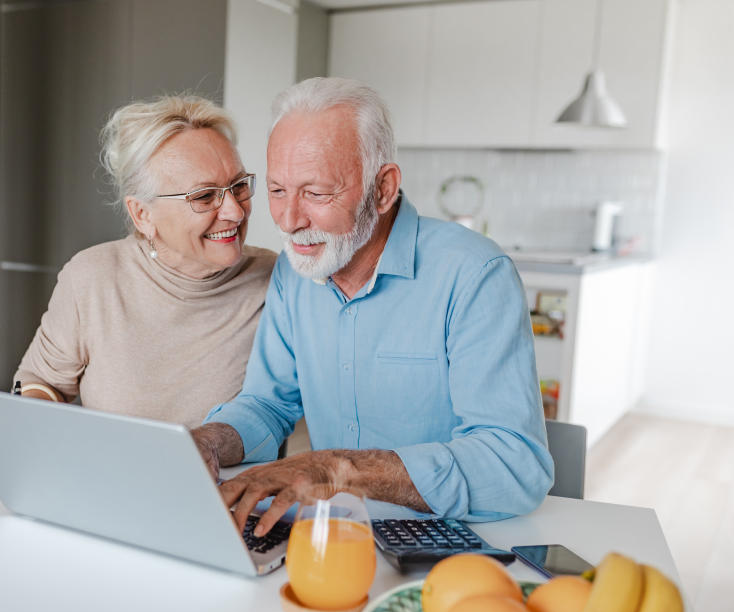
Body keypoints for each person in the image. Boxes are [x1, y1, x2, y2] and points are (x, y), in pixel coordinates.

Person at [192, 78, 553, 537]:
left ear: (383, 188)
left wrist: (339, 469)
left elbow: (514, 466)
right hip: (336, 539)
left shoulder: (475, 274)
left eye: (317, 193)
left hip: (451, 539)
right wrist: (209, 440)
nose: (289, 221)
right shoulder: (295, 271)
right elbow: (267, 404)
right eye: (278, 191)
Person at [14, 95, 276, 428]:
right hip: (112, 476)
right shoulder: (92, 277)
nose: (235, 212)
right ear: (142, 214)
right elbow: (41, 380)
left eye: (238, 186)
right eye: (204, 196)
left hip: (225, 481)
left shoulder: (275, 283)